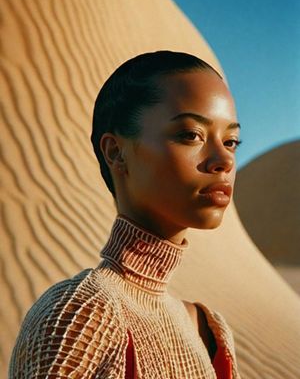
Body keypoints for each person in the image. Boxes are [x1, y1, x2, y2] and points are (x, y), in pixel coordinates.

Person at [9, 51, 242, 378]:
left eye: (231, 141)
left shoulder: (211, 331)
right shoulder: (79, 315)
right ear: (116, 152)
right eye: (190, 135)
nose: (224, 160)